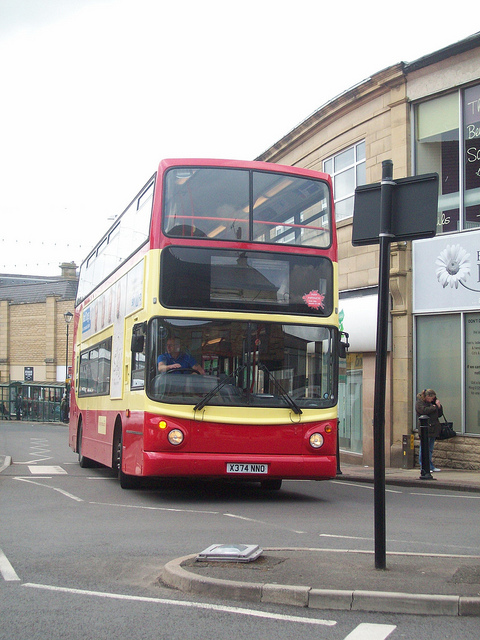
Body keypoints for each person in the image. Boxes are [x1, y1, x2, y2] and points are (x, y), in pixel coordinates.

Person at [415, 388, 443, 472]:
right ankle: (424, 467)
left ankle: (430, 466)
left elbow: (439, 414)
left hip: (433, 428)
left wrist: (439, 406)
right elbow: (423, 411)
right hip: (425, 428)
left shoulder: (433, 403)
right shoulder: (420, 403)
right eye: (431, 398)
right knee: (424, 448)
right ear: (427, 396)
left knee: (430, 449)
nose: (432, 399)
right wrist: (433, 407)